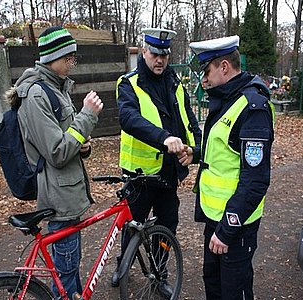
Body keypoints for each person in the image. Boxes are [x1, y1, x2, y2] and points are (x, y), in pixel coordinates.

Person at [5, 26, 103, 299]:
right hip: (59, 198)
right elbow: (57, 151)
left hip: (68, 194)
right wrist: (88, 116)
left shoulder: (55, 89)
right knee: (66, 276)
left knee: (69, 272)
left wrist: (84, 146)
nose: (73, 62)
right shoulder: (36, 94)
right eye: (69, 57)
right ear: (54, 57)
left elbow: (68, 139)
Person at [114, 27, 202, 298]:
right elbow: (129, 119)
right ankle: (123, 266)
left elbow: (190, 121)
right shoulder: (129, 83)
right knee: (133, 225)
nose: (160, 59)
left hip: (168, 174)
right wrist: (164, 138)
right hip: (139, 176)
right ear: (144, 52)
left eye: (164, 54)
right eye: (154, 53)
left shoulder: (175, 84)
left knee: (167, 226)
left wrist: (195, 150)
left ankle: (159, 272)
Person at [189, 35, 275, 300]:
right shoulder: (227, 98)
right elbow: (225, 150)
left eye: (207, 71)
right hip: (215, 219)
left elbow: (256, 180)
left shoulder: (252, 107)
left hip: (234, 227)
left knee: (233, 292)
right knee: (213, 285)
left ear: (224, 67)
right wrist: (195, 154)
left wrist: (226, 230)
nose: (204, 80)